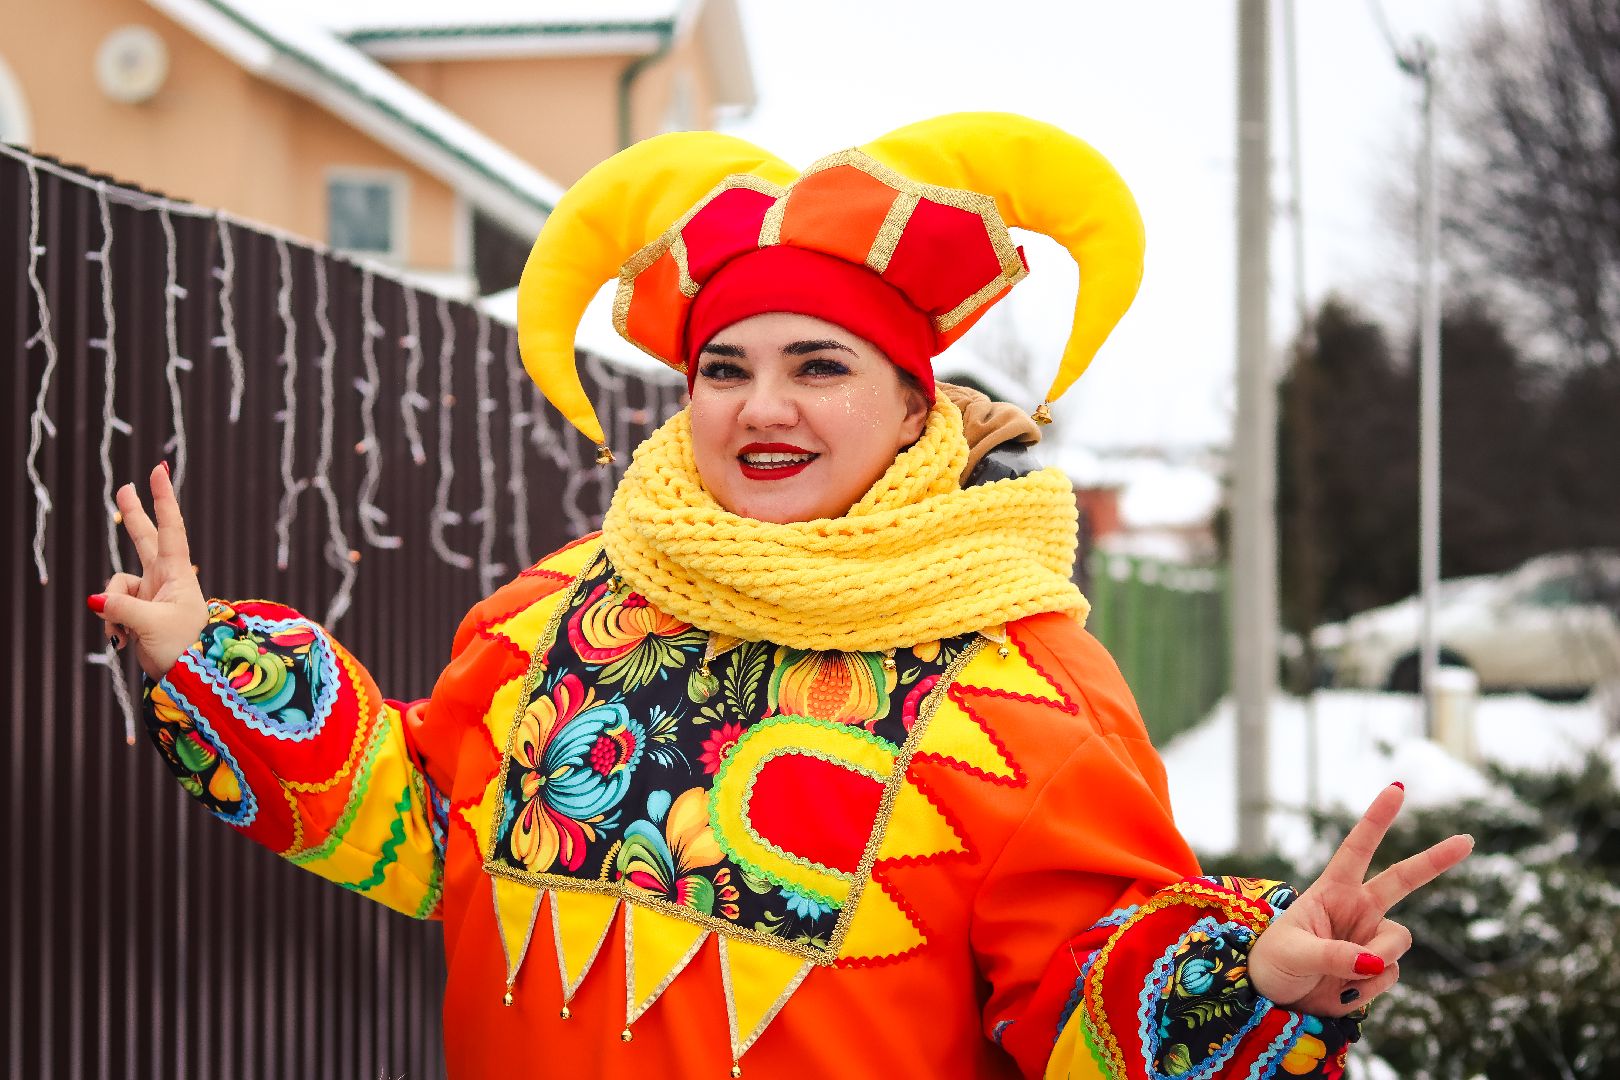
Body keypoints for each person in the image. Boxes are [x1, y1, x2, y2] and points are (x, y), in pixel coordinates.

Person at [90, 114, 1471, 1079]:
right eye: (723, 367)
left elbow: (1078, 993)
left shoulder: (1018, 691)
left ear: (912, 400)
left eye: (820, 366)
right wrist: (211, 662)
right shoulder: (556, 613)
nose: (762, 408)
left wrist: (1257, 978)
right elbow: (420, 830)